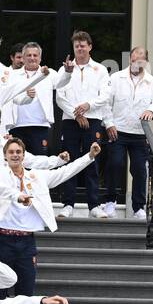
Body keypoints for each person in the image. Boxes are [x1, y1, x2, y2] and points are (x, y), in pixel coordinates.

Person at [0, 137, 102, 304]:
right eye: (10, 152)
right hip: (2, 238)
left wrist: (89, 157)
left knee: (26, 288)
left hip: (26, 240)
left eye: (18, 152)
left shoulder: (36, 176)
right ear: (4, 156)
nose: (14, 155)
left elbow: (64, 173)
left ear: (23, 155)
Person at [50, 30, 111, 218]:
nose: (80, 49)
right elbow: (59, 97)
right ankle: (68, 204)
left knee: (92, 160)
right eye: (77, 46)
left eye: (83, 45)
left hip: (92, 121)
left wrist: (87, 106)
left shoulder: (100, 69)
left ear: (90, 47)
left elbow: (106, 95)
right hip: (70, 121)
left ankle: (94, 205)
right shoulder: (65, 70)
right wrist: (76, 114)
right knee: (70, 160)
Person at [104, 46, 153, 219]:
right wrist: (109, 124)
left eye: (141, 59)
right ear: (130, 59)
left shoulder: (152, 82)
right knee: (115, 164)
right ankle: (110, 202)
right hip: (118, 131)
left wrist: (151, 110)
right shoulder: (116, 78)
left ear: (146, 62)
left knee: (139, 170)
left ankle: (138, 207)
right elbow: (106, 103)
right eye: (135, 58)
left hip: (139, 133)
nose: (138, 61)